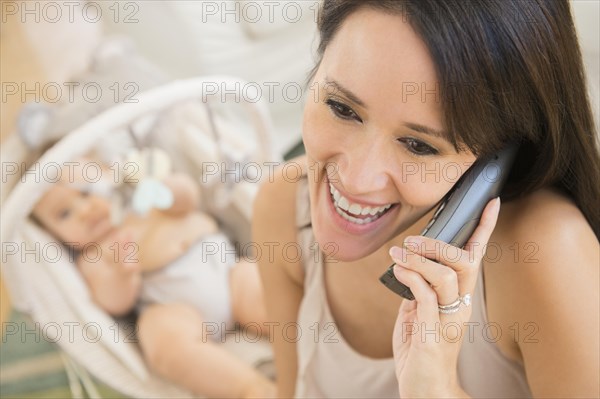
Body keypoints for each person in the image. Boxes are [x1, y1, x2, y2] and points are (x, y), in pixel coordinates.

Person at [253, 1, 600, 398]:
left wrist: (437, 389)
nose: (356, 179)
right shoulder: (283, 207)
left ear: (494, 158)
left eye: (418, 145)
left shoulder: (547, 255)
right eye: (341, 108)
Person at [32, 168, 275, 399]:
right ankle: (250, 388)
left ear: (108, 175)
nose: (85, 210)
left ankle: (300, 335)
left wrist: (165, 190)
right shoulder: (93, 256)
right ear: (54, 234)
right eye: (64, 214)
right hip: (176, 308)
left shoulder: (145, 202)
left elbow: (188, 197)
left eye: (86, 192)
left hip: (228, 276)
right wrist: (122, 273)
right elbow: (112, 302)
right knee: (160, 338)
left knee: (255, 279)